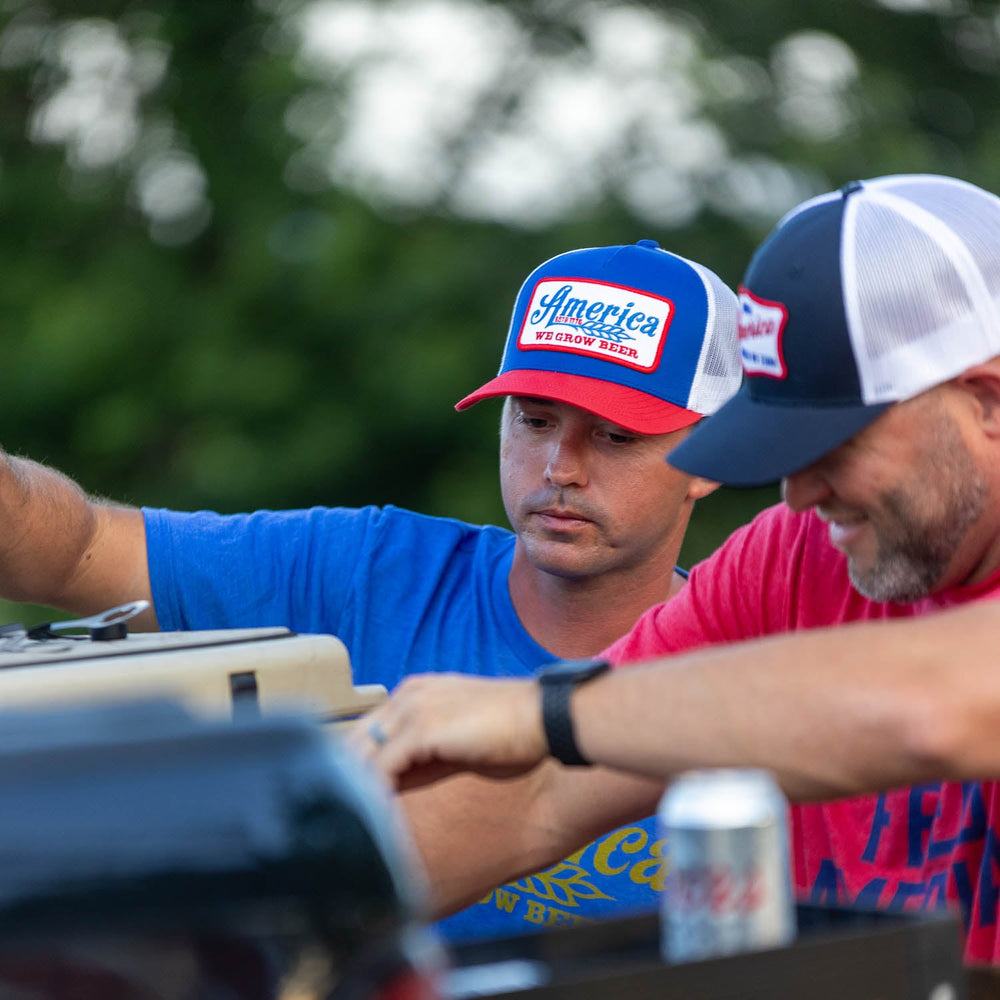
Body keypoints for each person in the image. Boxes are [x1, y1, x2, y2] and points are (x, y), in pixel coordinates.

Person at [0, 239, 742, 940]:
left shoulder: (766, 651)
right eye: (535, 419)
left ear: (713, 454)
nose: (560, 467)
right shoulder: (373, 570)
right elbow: (78, 550)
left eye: (616, 436)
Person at [352, 173, 1000, 965]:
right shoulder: (791, 555)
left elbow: (936, 708)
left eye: (838, 445)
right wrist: (236, 934)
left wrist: (541, 712)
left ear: (987, 402)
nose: (801, 492)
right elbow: (542, 795)